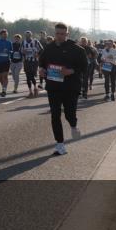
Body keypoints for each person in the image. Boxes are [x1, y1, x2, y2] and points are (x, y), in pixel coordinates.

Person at [38, 23, 88, 155]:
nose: (59, 36)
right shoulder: (48, 48)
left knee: (69, 113)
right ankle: (60, 144)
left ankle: (73, 125)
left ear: (67, 34)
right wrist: (41, 70)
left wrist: (70, 71)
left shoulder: (77, 49)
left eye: (62, 34)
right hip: (53, 87)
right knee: (55, 114)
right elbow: (42, 62)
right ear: (54, 34)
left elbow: (84, 67)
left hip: (71, 87)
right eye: (57, 34)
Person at [22, 31, 43, 97]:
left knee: (32, 75)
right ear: (25, 36)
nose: (27, 36)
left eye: (29, 35)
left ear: (31, 35)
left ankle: (35, 88)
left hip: (34, 61)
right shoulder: (23, 42)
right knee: (28, 76)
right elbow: (21, 51)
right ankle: (30, 91)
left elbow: (42, 49)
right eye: (26, 35)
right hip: (27, 61)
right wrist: (23, 52)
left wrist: (37, 54)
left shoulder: (35, 41)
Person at [0, 29, 13, 96]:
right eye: (4, 34)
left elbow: (11, 51)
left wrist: (8, 52)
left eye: (6, 34)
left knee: (5, 76)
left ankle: (4, 90)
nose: (5, 35)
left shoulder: (9, 42)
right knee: (1, 77)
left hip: (6, 61)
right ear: (1, 35)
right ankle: (3, 88)